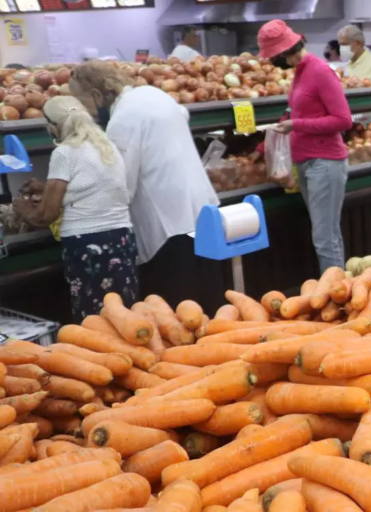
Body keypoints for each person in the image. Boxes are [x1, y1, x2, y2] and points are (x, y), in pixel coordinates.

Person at [69, 61, 221, 308]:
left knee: (178, 307)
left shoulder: (122, 120)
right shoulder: (152, 93)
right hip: (200, 211)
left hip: (168, 226)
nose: (84, 113)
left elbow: (121, 185)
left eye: (82, 102)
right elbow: (183, 114)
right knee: (207, 300)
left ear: (97, 95)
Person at [13, 96, 136, 321]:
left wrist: (22, 207)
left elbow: (44, 217)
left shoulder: (65, 152)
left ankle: (102, 356)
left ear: (53, 126)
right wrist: (46, 187)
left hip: (87, 246)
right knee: (124, 313)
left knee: (95, 318)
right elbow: (91, 185)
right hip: (121, 240)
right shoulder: (106, 145)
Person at [258, 20, 352, 273]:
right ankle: (334, 289)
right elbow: (294, 111)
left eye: (272, 56)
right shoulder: (300, 72)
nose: (272, 62)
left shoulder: (319, 71)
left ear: (283, 51)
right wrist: (265, 142)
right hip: (308, 164)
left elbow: (343, 120)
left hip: (325, 163)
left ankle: (336, 295)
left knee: (325, 237)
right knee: (323, 234)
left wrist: (296, 125)